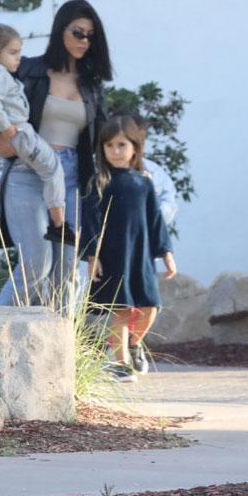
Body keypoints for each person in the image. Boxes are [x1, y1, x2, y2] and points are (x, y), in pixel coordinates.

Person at [0, 0, 112, 307]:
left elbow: (100, 140)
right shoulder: (29, 70)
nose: (85, 41)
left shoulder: (92, 86)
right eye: (78, 32)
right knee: (34, 263)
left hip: (72, 179)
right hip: (28, 171)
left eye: (91, 35)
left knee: (66, 273)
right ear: (61, 30)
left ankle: (61, 351)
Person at [82, 114, 177, 383]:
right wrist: (93, 256)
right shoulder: (97, 181)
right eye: (109, 145)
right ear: (102, 149)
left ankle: (135, 344)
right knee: (120, 310)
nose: (115, 151)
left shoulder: (144, 182)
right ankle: (121, 364)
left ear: (135, 147)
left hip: (141, 257)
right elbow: (90, 221)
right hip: (113, 257)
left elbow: (155, 220)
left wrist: (167, 254)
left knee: (151, 306)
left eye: (122, 145)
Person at [0, 18, 66, 235]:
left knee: (48, 170)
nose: (19, 57)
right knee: (53, 169)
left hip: (16, 132)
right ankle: (60, 224)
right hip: (19, 132)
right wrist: (6, 127)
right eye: (13, 52)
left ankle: (57, 222)